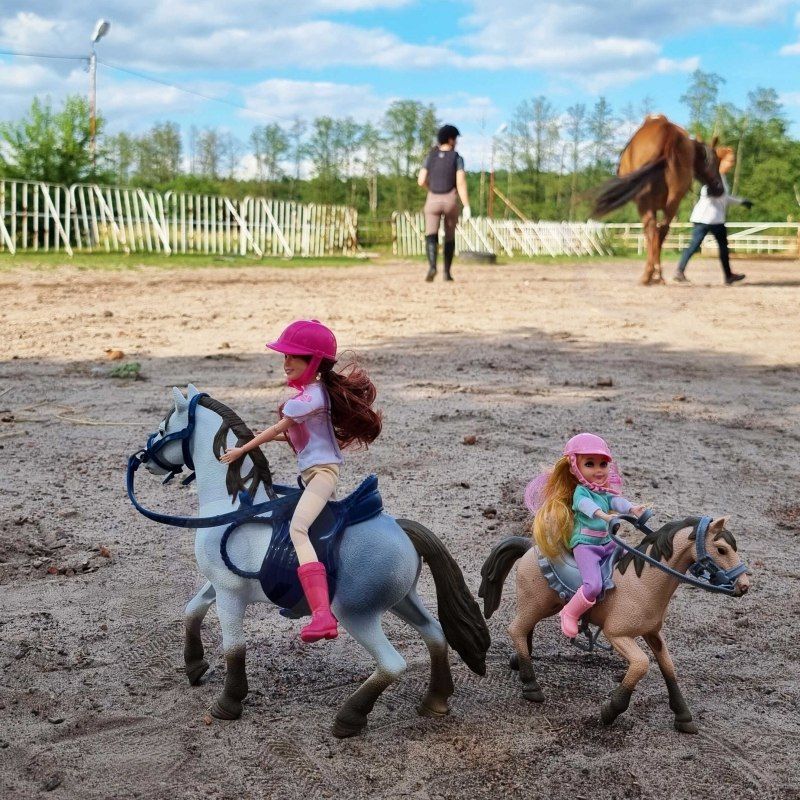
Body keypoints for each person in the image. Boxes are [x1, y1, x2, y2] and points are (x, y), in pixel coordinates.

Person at [220, 320, 381, 642]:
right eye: (285, 356)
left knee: (298, 529)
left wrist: (243, 449)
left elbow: (277, 430)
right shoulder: (313, 395)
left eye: (296, 357)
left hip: (322, 474)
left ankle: (322, 614)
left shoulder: (309, 399)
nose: (286, 363)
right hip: (313, 472)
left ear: (315, 362)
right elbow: (292, 436)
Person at [524, 433, 645, 638]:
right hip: (587, 545)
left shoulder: (602, 491)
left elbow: (616, 501)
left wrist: (632, 508)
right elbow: (588, 507)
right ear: (574, 468)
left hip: (607, 542)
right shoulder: (581, 492)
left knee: (632, 558)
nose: (598, 470)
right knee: (593, 585)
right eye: (590, 464)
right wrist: (604, 516)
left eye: (603, 464)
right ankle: (570, 613)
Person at [674, 148, 753, 285]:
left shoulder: (722, 177)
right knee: (694, 246)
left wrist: (742, 201)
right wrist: (711, 191)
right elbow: (707, 192)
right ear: (720, 161)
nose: (732, 163)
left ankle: (728, 276)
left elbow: (724, 197)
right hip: (704, 219)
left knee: (723, 248)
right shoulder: (711, 175)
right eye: (730, 160)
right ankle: (679, 272)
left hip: (717, 219)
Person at [417, 124, 471, 282]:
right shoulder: (457, 157)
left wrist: (431, 188)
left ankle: (432, 267)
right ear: (450, 139)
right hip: (450, 200)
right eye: (456, 139)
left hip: (432, 199)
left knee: (430, 235)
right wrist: (466, 205)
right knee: (449, 236)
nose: (457, 142)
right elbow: (460, 183)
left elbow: (421, 180)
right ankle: (447, 273)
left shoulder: (430, 156)